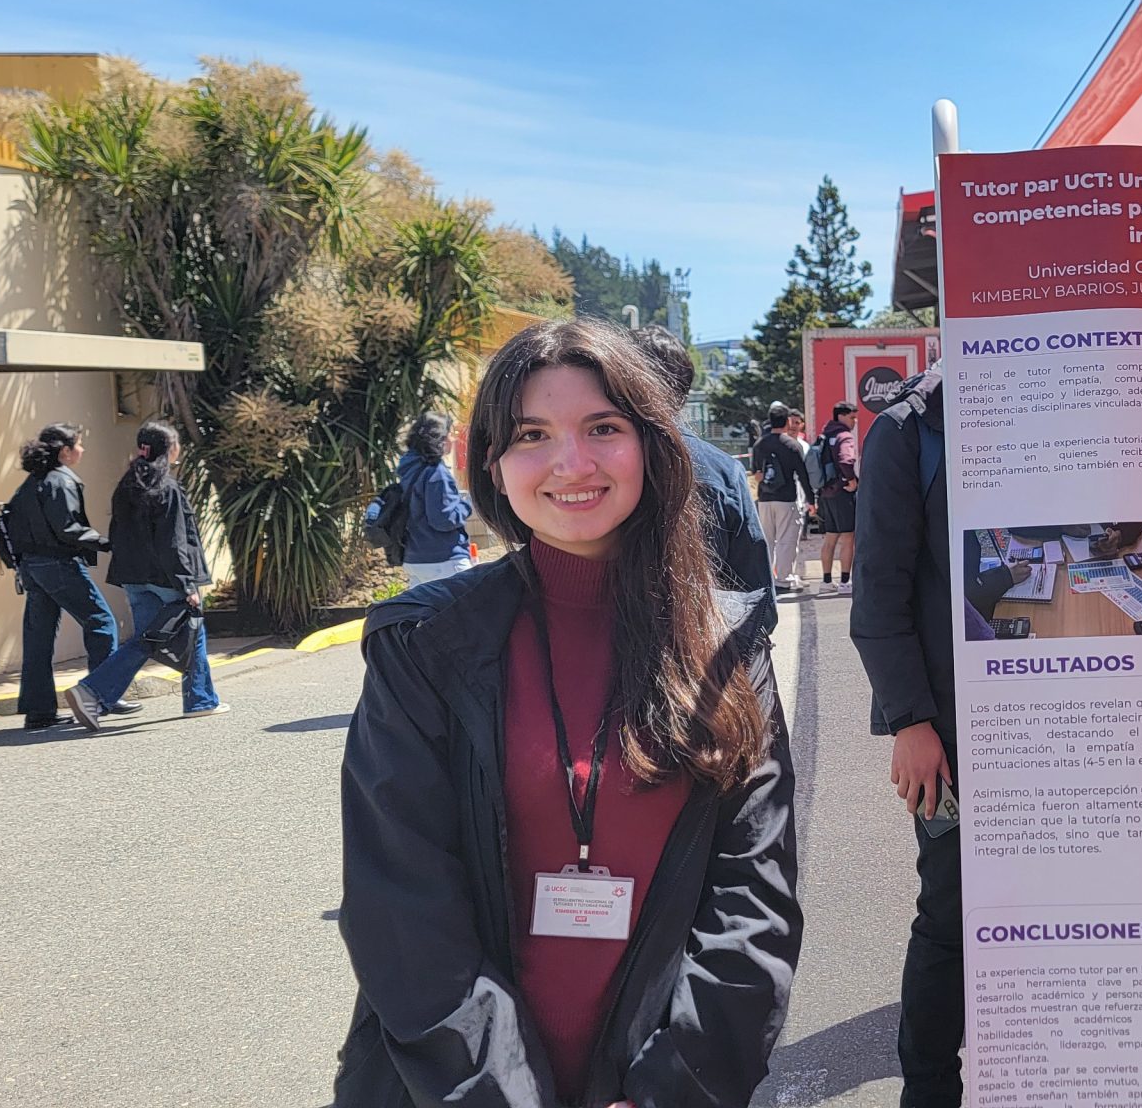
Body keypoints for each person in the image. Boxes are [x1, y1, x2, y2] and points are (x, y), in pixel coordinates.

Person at [333, 317, 799, 1108]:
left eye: (603, 428)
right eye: (532, 434)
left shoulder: (724, 644)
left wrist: (670, 1089)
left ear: (651, 445)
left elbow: (754, 895)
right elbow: (401, 911)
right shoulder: (425, 645)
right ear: (493, 461)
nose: (571, 463)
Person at [848, 365, 974, 1108]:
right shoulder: (908, 430)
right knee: (950, 913)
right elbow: (879, 590)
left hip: (1068, 723)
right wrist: (911, 723)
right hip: (948, 734)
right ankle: (929, 1090)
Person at [65, 422, 226, 729]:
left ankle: (93, 693)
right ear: (169, 449)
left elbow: (118, 534)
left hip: (134, 578)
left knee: (146, 640)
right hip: (167, 578)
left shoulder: (127, 486)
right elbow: (174, 542)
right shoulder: (168, 488)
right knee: (193, 633)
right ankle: (200, 700)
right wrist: (188, 585)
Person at [642, 332, 774, 625]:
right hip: (706, 637)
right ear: (684, 392)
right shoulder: (724, 470)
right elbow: (759, 600)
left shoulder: (589, 467)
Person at [3, 423, 127, 730]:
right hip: (58, 565)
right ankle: (101, 693)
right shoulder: (61, 480)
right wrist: (108, 543)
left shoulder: (32, 482)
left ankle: (39, 711)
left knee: (39, 638)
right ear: (65, 452)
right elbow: (68, 529)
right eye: (79, 445)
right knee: (101, 622)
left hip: (31, 568)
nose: (82, 450)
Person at [395, 412, 475, 588]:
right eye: (450, 434)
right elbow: (443, 519)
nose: (454, 439)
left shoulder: (408, 468)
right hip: (444, 560)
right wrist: (468, 504)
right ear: (440, 439)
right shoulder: (436, 473)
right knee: (474, 604)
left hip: (414, 560)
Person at [752, 403, 816, 596]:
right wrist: (811, 500)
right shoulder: (792, 445)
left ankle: (767, 578)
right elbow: (803, 475)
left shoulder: (759, 444)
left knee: (768, 539)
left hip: (765, 498)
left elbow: (756, 472)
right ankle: (783, 578)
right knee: (786, 540)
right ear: (787, 421)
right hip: (787, 498)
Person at [817, 401, 861, 594]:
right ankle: (844, 581)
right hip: (842, 493)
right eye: (852, 417)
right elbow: (846, 460)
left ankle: (826, 581)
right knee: (848, 537)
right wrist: (850, 480)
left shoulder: (825, 435)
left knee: (830, 538)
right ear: (841, 416)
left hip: (826, 493)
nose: (855, 421)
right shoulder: (844, 436)